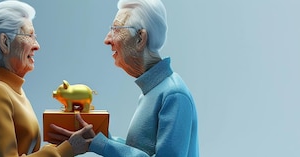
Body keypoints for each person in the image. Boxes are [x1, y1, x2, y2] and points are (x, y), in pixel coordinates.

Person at [50, 0, 199, 156]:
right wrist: (101, 137)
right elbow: (140, 150)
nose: (107, 40)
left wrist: (103, 145)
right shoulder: (153, 91)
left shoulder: (174, 95)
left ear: (140, 38)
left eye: (116, 29)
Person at [0, 1, 93, 156]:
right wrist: (65, 150)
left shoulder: (12, 90)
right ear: (5, 42)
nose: (37, 45)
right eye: (29, 35)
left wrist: (62, 145)